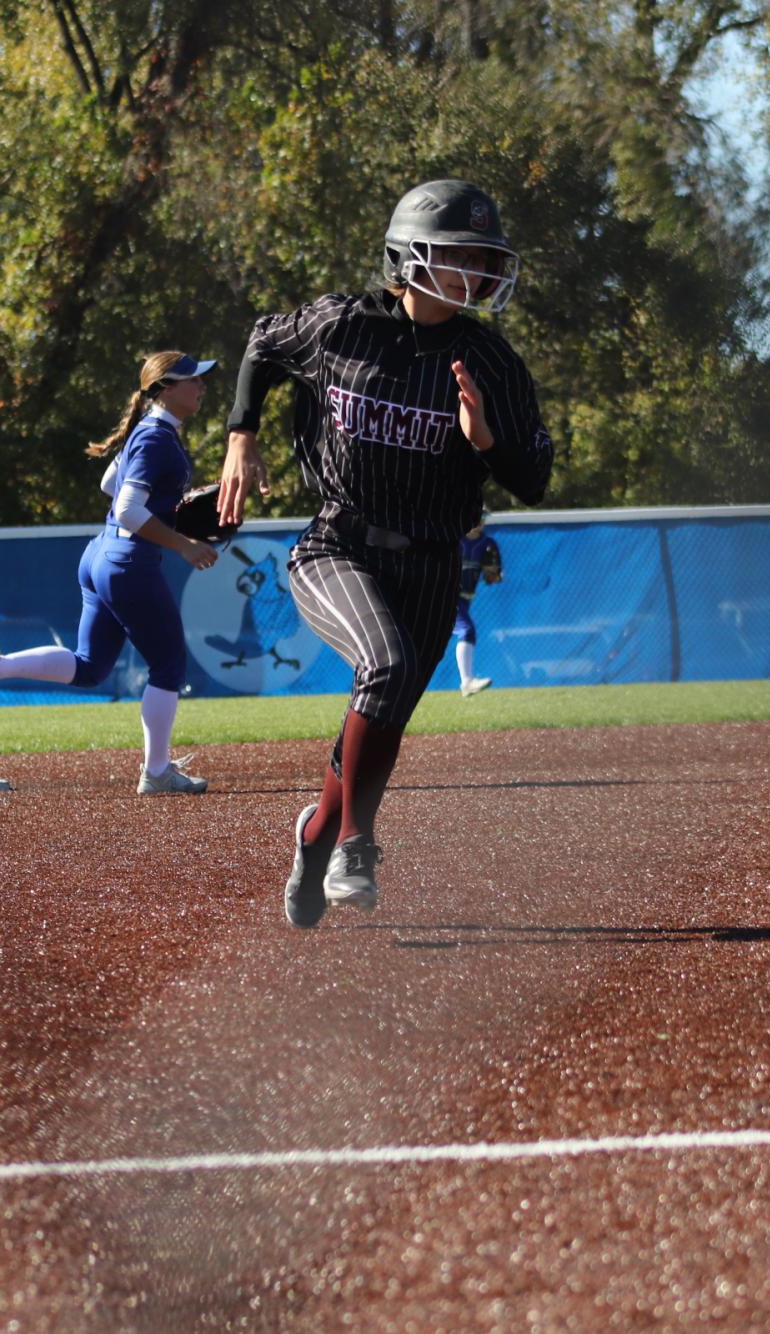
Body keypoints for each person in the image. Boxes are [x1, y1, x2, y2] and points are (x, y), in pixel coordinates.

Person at [216, 179, 553, 927]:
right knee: (388, 666)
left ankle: (315, 836)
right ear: (410, 255)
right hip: (338, 540)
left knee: (384, 712)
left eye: (484, 256)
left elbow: (532, 480)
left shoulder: (489, 361)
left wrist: (486, 440)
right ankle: (356, 845)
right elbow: (263, 344)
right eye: (461, 253)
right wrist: (242, 432)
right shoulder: (340, 325)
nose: (479, 270)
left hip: (434, 559)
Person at [0, 351, 221, 795]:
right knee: (169, 665)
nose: (202, 386)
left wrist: (170, 501)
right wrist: (184, 543)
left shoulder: (145, 433)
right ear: (165, 388)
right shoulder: (156, 439)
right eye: (193, 379)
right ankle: (157, 770)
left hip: (101, 557)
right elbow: (128, 508)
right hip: (129, 562)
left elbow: (110, 484)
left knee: (91, 667)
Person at [453, 512, 504, 697]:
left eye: (481, 518)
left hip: (466, 599)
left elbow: (492, 577)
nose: (478, 523)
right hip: (447, 595)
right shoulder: (453, 538)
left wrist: (493, 574)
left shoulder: (487, 544)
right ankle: (466, 681)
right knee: (466, 630)